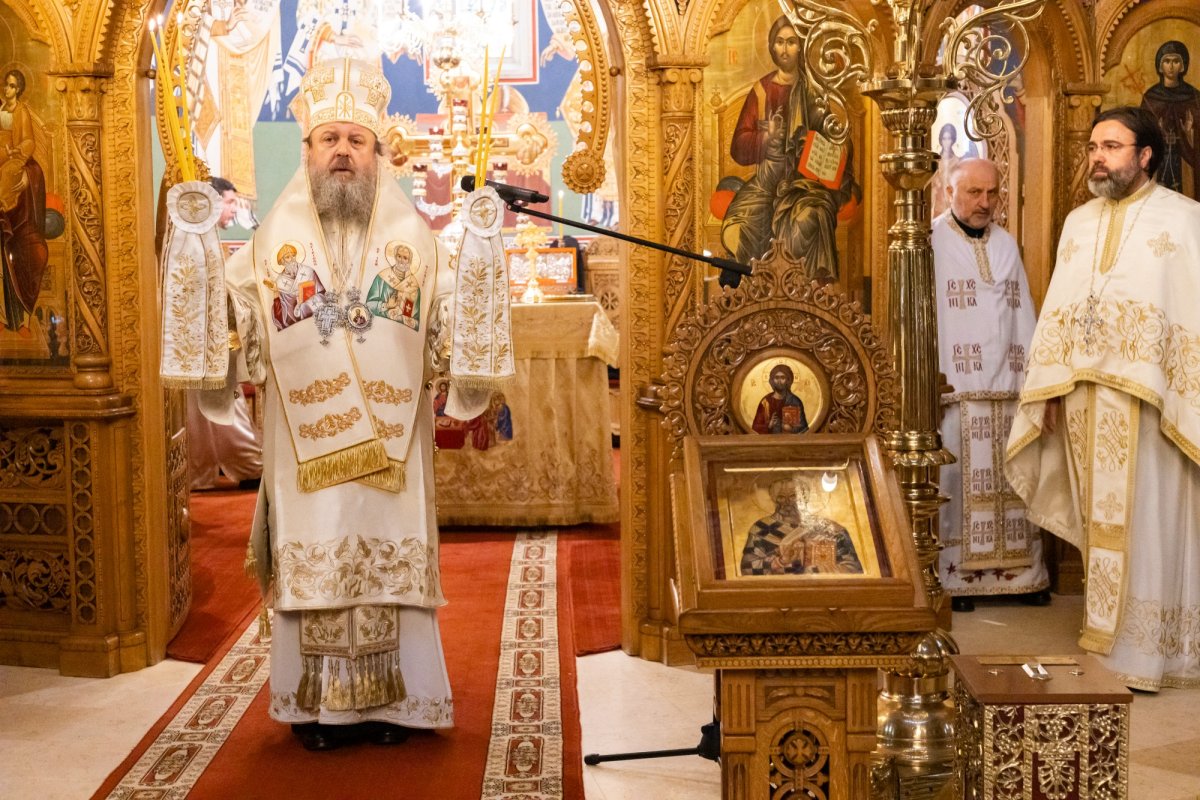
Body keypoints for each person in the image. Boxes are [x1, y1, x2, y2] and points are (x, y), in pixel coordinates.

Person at [183, 57, 506, 750]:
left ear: (378, 156)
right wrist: (198, 253)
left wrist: (481, 253)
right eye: (329, 139)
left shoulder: (416, 241)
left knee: (390, 566)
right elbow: (233, 324)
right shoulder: (272, 242)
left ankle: (401, 705)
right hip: (304, 446)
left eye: (356, 141)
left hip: (393, 446)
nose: (341, 152)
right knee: (318, 562)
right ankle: (315, 710)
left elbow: (456, 322)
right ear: (308, 151)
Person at [1006, 106, 1200, 691]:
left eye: (1112, 146)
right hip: (1086, 399)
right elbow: (1062, 311)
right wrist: (1051, 390)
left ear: (1145, 156)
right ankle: (1106, 637)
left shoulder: (1184, 220)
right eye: (1094, 146)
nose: (1098, 156)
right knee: (1101, 523)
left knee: (1150, 517)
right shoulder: (1078, 223)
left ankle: (1151, 650)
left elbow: (1187, 315)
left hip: (1153, 404)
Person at [933, 158, 1049, 613]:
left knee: (1016, 478)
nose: (985, 203)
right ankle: (959, 579)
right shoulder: (930, 241)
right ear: (948, 192)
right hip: (956, 389)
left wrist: (1036, 380)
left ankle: (1024, 576)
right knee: (956, 480)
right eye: (973, 193)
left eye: (992, 194)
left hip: (1010, 385)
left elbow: (1023, 312)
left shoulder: (1005, 243)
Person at [719, 15, 859, 279]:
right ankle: (758, 294)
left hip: (805, 186)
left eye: (792, 42)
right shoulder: (760, 91)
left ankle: (798, 295)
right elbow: (738, 147)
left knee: (809, 217)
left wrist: (811, 143)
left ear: (801, 47)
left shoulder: (812, 92)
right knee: (737, 228)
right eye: (780, 42)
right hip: (766, 183)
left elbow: (835, 137)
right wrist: (765, 141)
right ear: (772, 47)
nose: (785, 49)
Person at [0, 68, 48, 336]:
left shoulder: (21, 113)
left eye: (12, 86)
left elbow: (28, 142)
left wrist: (18, 155)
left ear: (18, 90)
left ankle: (24, 320)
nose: (8, 90)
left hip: (14, 160)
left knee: (30, 251)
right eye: (6, 86)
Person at [741, 478, 862, 575]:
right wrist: (780, 562)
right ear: (774, 499)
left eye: (794, 496)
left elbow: (853, 568)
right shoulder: (762, 528)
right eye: (781, 497)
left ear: (804, 497)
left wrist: (815, 570)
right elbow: (747, 568)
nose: (788, 502)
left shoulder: (830, 529)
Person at [1140, 41, 1200, 200]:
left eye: (1176, 61)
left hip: (1186, 159)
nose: (1171, 66)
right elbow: (1141, 132)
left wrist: (1189, 133)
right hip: (1159, 158)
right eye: (1167, 61)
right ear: (1160, 66)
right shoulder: (1151, 97)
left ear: (1183, 65)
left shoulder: (1194, 97)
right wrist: (1156, 132)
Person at [751, 364, 809, 434]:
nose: (779, 381)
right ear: (772, 380)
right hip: (768, 442)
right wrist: (769, 425)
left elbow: (804, 428)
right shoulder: (765, 402)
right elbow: (755, 427)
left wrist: (791, 429)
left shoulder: (795, 401)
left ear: (788, 380)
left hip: (791, 442)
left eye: (782, 378)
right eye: (776, 378)